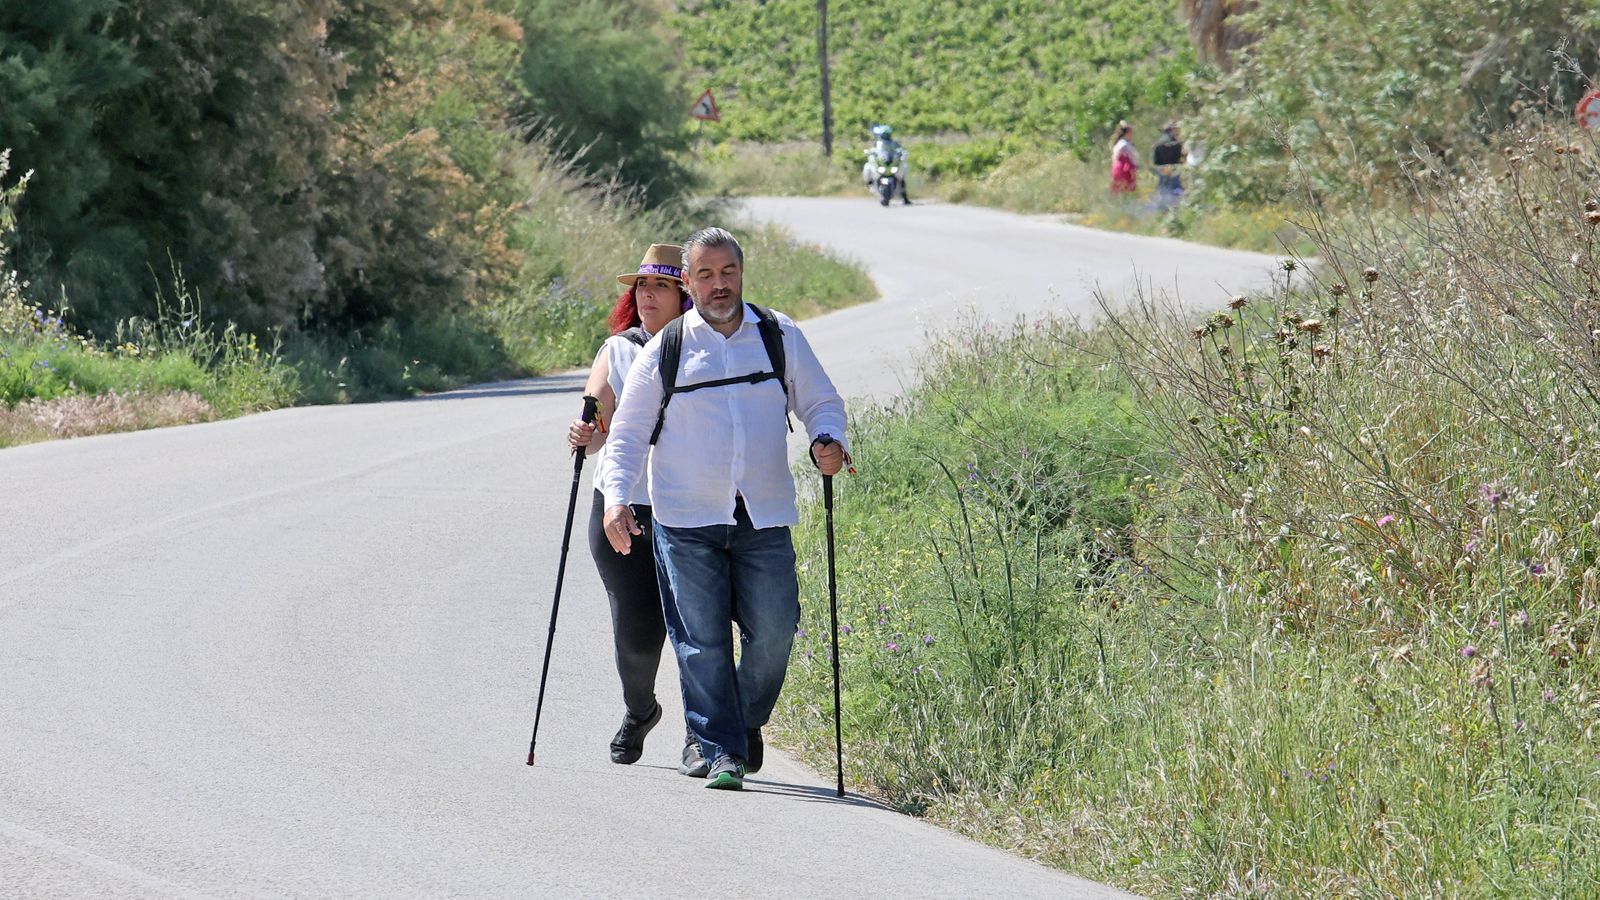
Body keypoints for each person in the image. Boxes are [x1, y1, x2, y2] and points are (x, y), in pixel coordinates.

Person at [596, 227, 849, 791]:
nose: (718, 284)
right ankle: (720, 752)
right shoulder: (667, 348)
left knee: (776, 631)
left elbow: (821, 402)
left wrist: (827, 438)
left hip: (762, 514)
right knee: (702, 641)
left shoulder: (778, 334)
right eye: (705, 274)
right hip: (685, 518)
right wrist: (616, 501)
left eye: (727, 272)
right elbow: (628, 434)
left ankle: (743, 720)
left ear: (741, 273)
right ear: (689, 282)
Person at [566, 243, 706, 776]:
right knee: (637, 634)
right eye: (642, 286)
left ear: (683, 295)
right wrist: (586, 432)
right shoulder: (619, 349)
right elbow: (597, 419)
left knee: (697, 628)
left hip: (688, 505)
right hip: (621, 506)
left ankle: (702, 732)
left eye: (660, 286)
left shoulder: (705, 347)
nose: (647, 295)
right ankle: (640, 709)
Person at [862, 124, 913, 205]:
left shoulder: (894, 143)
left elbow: (900, 150)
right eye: (884, 134)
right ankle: (869, 183)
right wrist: (870, 153)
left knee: (902, 174)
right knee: (867, 167)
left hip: (892, 164)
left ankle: (905, 198)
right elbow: (872, 151)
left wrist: (902, 153)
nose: (885, 136)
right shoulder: (877, 144)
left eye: (887, 134)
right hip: (882, 164)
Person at [1152, 121, 1185, 209]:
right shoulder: (1177, 143)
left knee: (1163, 190)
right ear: (1171, 130)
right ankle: (1175, 209)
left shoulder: (1158, 144)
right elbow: (1181, 158)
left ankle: (1163, 209)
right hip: (1174, 169)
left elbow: (1155, 161)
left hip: (1162, 169)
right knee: (1175, 190)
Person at [1110, 120, 1138, 195]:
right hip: (1125, 170)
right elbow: (1130, 159)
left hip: (1115, 169)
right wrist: (1134, 175)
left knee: (1118, 192)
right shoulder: (1125, 145)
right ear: (1128, 132)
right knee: (1127, 192)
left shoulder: (1118, 144)